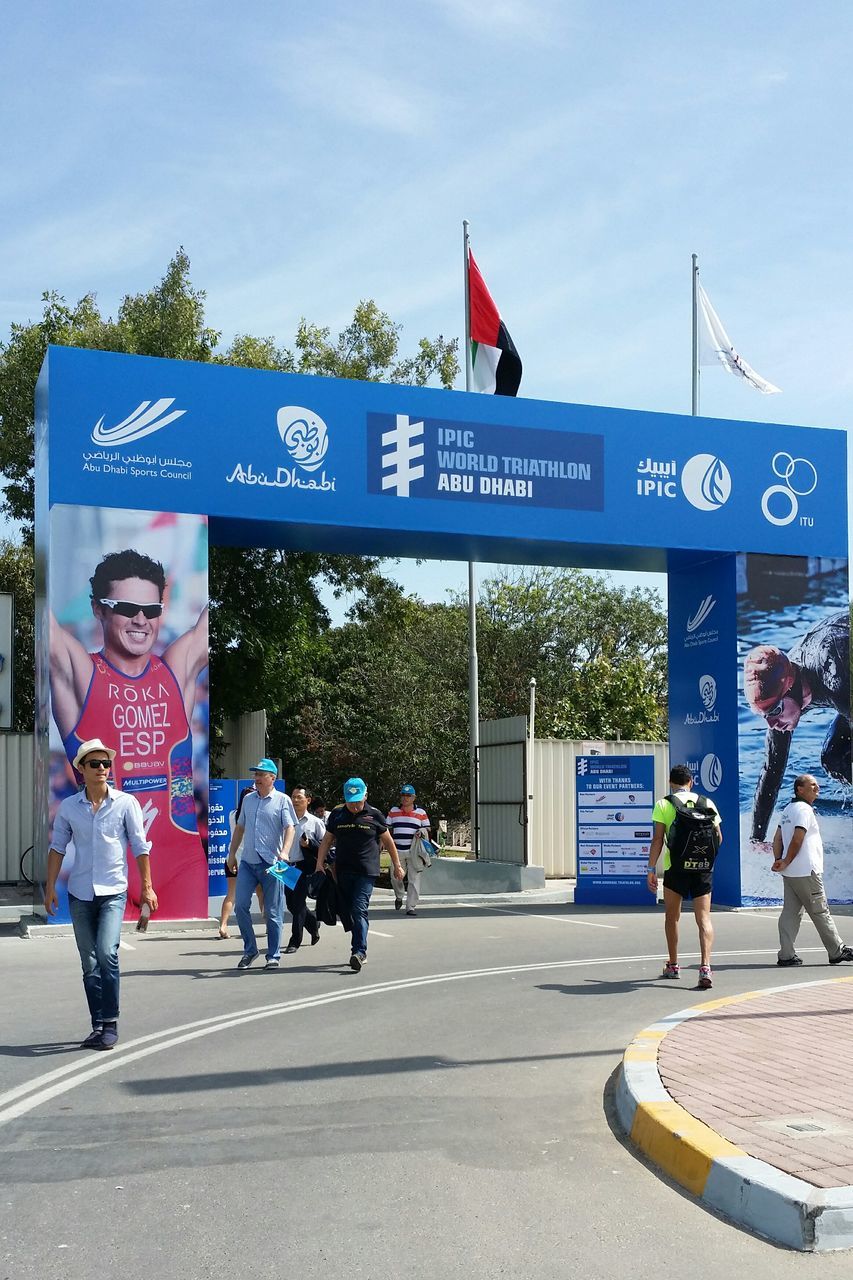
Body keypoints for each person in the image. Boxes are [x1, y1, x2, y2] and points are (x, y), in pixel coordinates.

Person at [49, 548, 209, 918]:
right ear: (98, 609)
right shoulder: (81, 674)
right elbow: (46, 623)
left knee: (176, 971)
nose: (141, 619)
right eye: (126, 607)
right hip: (105, 873)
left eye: (151, 610)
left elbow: (211, 617)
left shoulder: (176, 669)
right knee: (104, 966)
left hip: (181, 868)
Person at [44, 737, 157, 1050]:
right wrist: (50, 887)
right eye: (95, 764)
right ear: (81, 769)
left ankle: (111, 1022)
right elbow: (57, 848)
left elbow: (140, 846)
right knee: (88, 961)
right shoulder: (69, 807)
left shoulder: (125, 804)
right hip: (80, 893)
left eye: (106, 763)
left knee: (107, 953)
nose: (102, 769)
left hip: (113, 891)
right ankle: (98, 1024)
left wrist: (147, 886)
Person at [745, 611, 850, 843]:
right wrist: (757, 840)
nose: (771, 723)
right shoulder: (782, 689)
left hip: (844, 662)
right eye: (764, 715)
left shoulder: (834, 672)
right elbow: (771, 771)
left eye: (773, 712)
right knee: (834, 759)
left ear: (791, 687)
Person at [315, 777, 403, 972]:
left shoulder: (375, 815)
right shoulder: (337, 815)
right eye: (350, 800)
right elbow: (327, 840)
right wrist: (319, 863)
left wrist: (397, 865)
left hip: (366, 871)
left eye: (357, 800)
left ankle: (359, 952)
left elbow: (388, 842)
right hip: (343, 870)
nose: (354, 805)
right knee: (347, 910)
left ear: (365, 795)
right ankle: (358, 945)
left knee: (359, 909)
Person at [646, 764, 722, 990]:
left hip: (676, 867)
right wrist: (706, 860)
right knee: (704, 919)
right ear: (691, 781)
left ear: (671, 783)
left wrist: (651, 869)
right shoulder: (707, 803)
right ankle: (705, 967)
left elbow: (658, 840)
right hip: (702, 868)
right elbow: (719, 837)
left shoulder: (664, 804)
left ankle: (673, 965)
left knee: (672, 917)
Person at [772, 773, 853, 967]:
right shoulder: (804, 810)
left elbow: (777, 838)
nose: (817, 788)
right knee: (820, 911)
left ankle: (786, 955)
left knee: (791, 913)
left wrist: (780, 861)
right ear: (800, 789)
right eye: (813, 785)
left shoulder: (788, 808)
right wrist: (786, 860)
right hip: (807, 872)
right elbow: (797, 839)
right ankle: (836, 951)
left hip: (791, 873)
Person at [226, 759, 296, 971]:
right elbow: (239, 828)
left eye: (261, 774)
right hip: (248, 862)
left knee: (273, 912)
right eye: (255, 774)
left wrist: (285, 852)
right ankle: (250, 950)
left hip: (274, 863)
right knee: (240, 906)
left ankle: (273, 955)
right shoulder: (248, 799)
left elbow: (290, 828)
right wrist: (231, 855)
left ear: (272, 778)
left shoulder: (283, 800)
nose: (256, 778)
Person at [217, 782, 263, 939]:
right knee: (261, 892)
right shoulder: (253, 816)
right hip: (250, 860)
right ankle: (268, 923)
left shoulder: (232, 815)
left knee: (231, 895)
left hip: (232, 858)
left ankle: (223, 925)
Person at [284, 785, 326, 953]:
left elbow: (325, 847)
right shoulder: (285, 819)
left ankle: (295, 940)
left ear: (308, 800)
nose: (295, 800)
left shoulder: (315, 823)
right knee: (291, 905)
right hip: (285, 866)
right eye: (293, 797)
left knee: (299, 903)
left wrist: (309, 844)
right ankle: (313, 923)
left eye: (299, 797)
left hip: (303, 866)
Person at [386, 784, 431, 916]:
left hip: (414, 851)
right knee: (395, 877)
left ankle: (410, 906)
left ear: (414, 797)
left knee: (414, 879)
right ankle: (399, 896)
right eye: (403, 795)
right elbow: (386, 828)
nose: (405, 798)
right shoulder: (393, 811)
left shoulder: (421, 813)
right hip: (397, 850)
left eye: (408, 796)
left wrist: (421, 831)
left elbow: (427, 829)